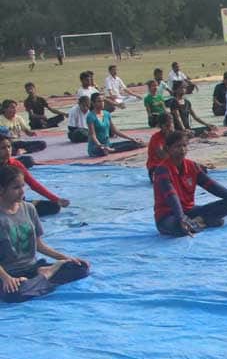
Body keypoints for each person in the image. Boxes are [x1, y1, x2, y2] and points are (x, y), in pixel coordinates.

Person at [0, 164, 89, 304]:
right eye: (16, 188)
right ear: (1, 190)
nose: (22, 192)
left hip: (32, 268)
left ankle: (42, 277)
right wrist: (6, 278)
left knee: (80, 268)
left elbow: (39, 245)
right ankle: (45, 277)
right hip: (6, 272)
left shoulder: (28, 208)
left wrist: (66, 258)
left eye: (23, 187)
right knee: (13, 295)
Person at [152, 131, 227, 237]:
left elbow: (212, 186)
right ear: (167, 149)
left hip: (190, 211)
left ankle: (199, 222)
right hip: (169, 215)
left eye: (184, 145)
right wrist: (181, 218)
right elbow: (172, 197)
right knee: (177, 227)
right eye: (178, 146)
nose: (182, 149)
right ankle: (203, 222)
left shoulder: (191, 166)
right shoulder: (162, 170)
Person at [0, 133, 70, 216]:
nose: (8, 150)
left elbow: (33, 184)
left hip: (17, 203)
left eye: (9, 146)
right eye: (3, 148)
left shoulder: (16, 164)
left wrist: (56, 199)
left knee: (54, 206)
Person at [86, 93, 142, 158]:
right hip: (96, 147)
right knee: (103, 151)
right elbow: (92, 135)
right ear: (93, 103)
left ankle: (111, 150)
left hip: (108, 144)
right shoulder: (90, 116)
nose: (102, 103)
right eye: (99, 101)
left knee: (136, 143)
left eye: (103, 101)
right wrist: (101, 146)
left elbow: (115, 130)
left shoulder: (106, 114)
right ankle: (110, 150)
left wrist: (131, 138)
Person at [146, 113, 173, 182]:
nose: (170, 127)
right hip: (156, 165)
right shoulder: (156, 138)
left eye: (171, 125)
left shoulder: (173, 135)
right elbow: (162, 155)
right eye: (167, 126)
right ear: (161, 126)